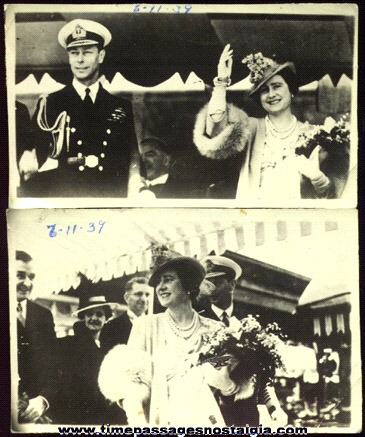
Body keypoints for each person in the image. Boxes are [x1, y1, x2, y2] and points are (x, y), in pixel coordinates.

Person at [99, 247, 238, 426]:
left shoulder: (215, 329)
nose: (160, 288)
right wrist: (138, 421)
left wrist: (227, 385)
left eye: (168, 280)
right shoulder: (146, 326)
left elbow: (231, 395)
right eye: (158, 283)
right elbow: (131, 388)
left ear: (188, 284)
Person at [193, 45, 349, 200]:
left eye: (277, 86)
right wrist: (221, 83)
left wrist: (317, 177)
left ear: (291, 90)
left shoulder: (313, 134)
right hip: (254, 218)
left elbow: (331, 196)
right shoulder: (251, 127)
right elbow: (216, 130)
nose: (271, 94)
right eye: (264, 90)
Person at [21, 19, 137, 197]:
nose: (80, 60)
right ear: (69, 58)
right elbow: (36, 159)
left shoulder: (120, 106)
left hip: (109, 196)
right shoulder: (51, 103)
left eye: (87, 52)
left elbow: (130, 158)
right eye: (74, 53)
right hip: (66, 196)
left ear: (101, 56)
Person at [199, 254, 288, 427]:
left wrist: (274, 406)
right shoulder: (199, 321)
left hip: (247, 414)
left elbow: (262, 374)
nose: (211, 288)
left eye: (217, 282)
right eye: (207, 283)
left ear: (232, 284)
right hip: (212, 413)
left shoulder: (249, 322)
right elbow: (198, 366)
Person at [55, 292, 124, 424]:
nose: (94, 318)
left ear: (106, 319)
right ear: (83, 318)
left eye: (99, 314)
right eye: (89, 314)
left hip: (102, 414)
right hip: (78, 414)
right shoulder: (70, 344)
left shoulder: (107, 348)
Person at [15, 250, 56, 423]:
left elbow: (54, 365)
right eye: (20, 275)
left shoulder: (43, 314)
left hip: (36, 411)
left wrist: (43, 400)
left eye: (31, 277)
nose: (27, 283)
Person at [101, 276, 151, 352]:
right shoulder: (111, 327)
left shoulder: (154, 325)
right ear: (126, 298)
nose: (144, 299)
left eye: (147, 295)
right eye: (138, 294)